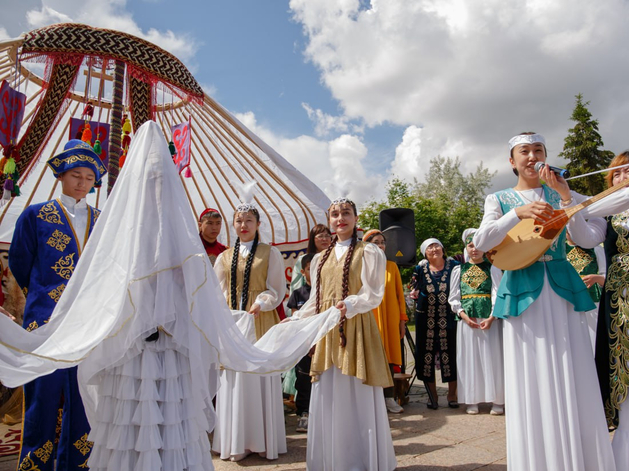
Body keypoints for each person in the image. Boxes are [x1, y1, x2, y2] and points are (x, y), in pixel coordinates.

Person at [473, 132, 617, 471]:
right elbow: (482, 241)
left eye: (539, 149)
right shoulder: (499, 199)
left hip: (562, 288)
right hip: (522, 290)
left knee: (572, 365)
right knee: (530, 371)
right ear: (512, 161)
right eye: (524, 151)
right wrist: (517, 214)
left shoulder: (564, 192)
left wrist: (567, 200)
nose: (532, 156)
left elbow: (588, 237)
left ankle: (581, 459)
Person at [8, 139, 106, 471]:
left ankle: (76, 466)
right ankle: (35, 465)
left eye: (89, 178)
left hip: (89, 325)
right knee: (43, 400)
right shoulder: (35, 215)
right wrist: (46, 298)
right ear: (61, 175)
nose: (82, 182)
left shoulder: (102, 221)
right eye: (75, 174)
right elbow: (21, 265)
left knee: (83, 400)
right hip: (45, 324)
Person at [290, 198, 396, 471]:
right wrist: (297, 319)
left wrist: (349, 305)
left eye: (346, 213)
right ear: (329, 219)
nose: (340, 218)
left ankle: (361, 458)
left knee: (357, 390)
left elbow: (373, 294)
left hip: (357, 326)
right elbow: (316, 299)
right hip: (327, 330)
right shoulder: (318, 259)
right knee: (330, 391)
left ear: (356, 218)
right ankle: (333, 459)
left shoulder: (370, 252)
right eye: (335, 214)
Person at [212, 203, 287, 461]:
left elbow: (277, 288)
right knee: (235, 378)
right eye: (238, 221)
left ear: (258, 224)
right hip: (233, 323)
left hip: (260, 320)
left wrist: (262, 302)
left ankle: (262, 440)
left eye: (248, 221)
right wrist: (223, 313)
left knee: (258, 377)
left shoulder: (270, 253)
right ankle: (236, 440)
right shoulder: (224, 256)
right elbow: (218, 292)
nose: (243, 225)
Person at [448, 228, 504, 415]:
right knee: (469, 358)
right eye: (471, 246)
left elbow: (498, 293)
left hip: (489, 319)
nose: (474, 249)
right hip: (467, 320)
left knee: (492, 356)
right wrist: (463, 316)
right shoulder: (458, 269)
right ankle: (472, 399)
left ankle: (497, 400)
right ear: (466, 247)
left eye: (478, 246)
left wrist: (491, 317)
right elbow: (453, 297)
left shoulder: (493, 267)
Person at [410, 238, 459, 410]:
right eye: (429, 247)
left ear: (443, 248)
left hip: (449, 318)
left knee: (452, 354)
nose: (434, 249)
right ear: (425, 253)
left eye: (436, 245)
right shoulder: (420, 269)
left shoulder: (454, 266)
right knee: (425, 356)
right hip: (426, 319)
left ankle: (452, 394)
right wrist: (414, 291)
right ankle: (433, 396)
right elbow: (414, 287)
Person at [363, 229, 408, 414]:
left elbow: (400, 296)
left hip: (390, 317)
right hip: (370, 317)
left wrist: (402, 321)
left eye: (382, 242)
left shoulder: (392, 266)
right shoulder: (361, 266)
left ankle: (389, 397)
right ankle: (371, 399)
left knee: (389, 358)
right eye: (375, 242)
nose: (380, 245)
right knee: (371, 357)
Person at [286, 252, 315, 432]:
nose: (314, 272)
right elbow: (295, 316)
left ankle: (321, 414)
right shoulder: (298, 293)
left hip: (324, 342)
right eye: (310, 269)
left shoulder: (326, 293)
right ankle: (303, 413)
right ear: (303, 272)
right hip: (304, 343)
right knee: (303, 378)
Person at [565, 232, 605, 352]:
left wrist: (596, 278)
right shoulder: (560, 251)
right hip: (569, 302)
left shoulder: (595, 249)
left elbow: (607, 275)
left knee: (594, 339)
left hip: (593, 301)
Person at [289, 224, 332, 295]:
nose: (324, 239)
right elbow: (296, 285)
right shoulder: (303, 259)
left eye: (327, 236)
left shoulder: (335, 258)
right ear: (313, 239)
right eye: (320, 236)